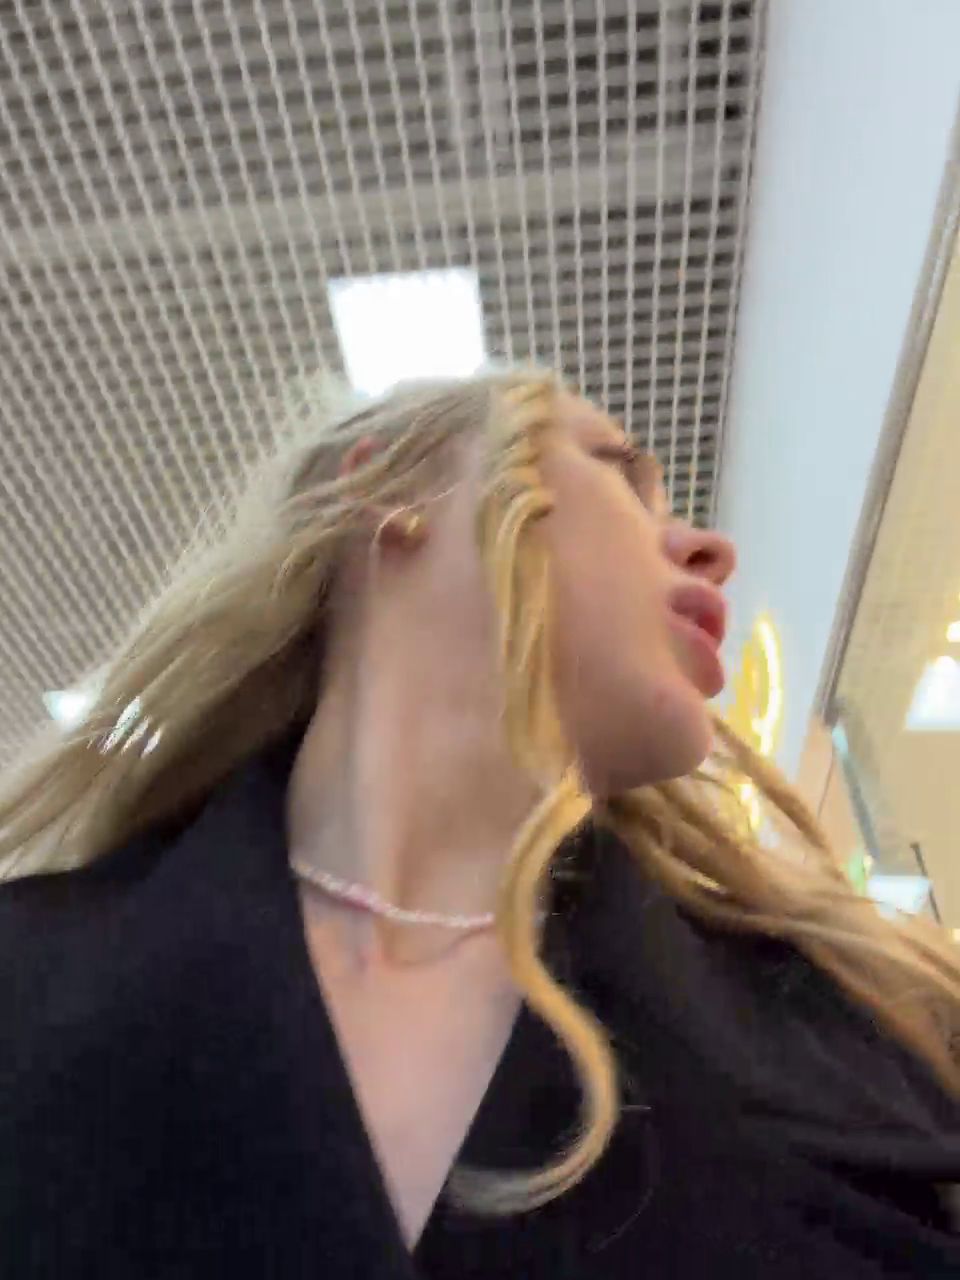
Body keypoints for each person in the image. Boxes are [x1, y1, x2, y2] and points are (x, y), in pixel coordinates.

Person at [0, 367, 957, 1279]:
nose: (712, 549)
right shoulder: (29, 973)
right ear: (391, 490)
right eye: (623, 474)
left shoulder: (877, 1021)